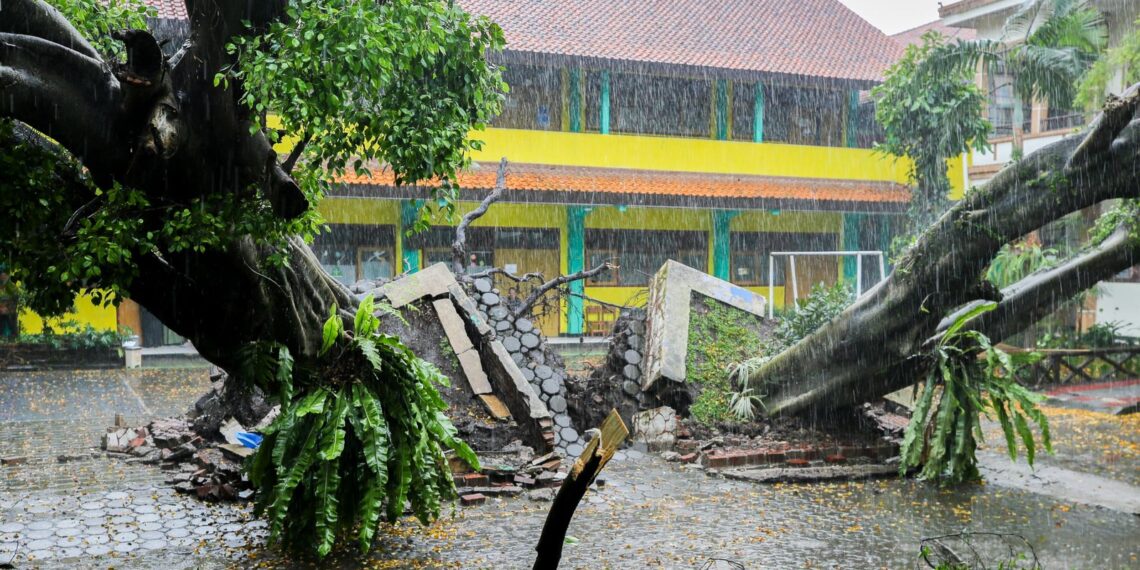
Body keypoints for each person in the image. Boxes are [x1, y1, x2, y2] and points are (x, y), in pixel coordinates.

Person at [0, 271, 18, 340]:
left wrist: (7, 307)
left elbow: (14, 297)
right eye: (2, 276)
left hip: (9, 307)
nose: (3, 278)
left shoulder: (11, 286)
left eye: (4, 276)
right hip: (3, 307)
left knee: (10, 318)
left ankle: (13, 336)